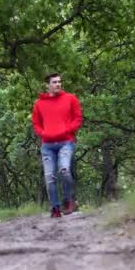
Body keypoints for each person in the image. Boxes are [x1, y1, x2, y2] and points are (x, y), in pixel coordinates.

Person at [32, 73, 83, 218]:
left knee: (65, 170)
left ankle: (68, 200)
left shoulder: (70, 99)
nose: (58, 84)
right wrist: (43, 133)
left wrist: (67, 130)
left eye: (59, 82)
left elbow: (78, 118)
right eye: (54, 82)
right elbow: (36, 123)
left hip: (66, 142)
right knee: (49, 177)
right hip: (47, 145)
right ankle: (55, 208)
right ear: (47, 85)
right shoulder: (39, 104)